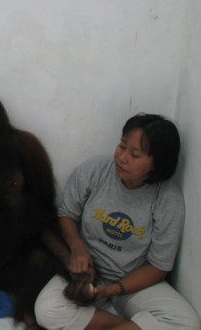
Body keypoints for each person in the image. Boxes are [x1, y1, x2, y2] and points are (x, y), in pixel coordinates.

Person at [35, 114, 201, 330]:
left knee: (186, 322)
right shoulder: (95, 171)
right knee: (47, 311)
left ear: (156, 163)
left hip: (134, 280)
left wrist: (111, 290)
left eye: (135, 154)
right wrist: (77, 249)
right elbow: (67, 214)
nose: (122, 158)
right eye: (122, 147)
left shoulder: (168, 199)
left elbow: (159, 267)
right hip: (89, 273)